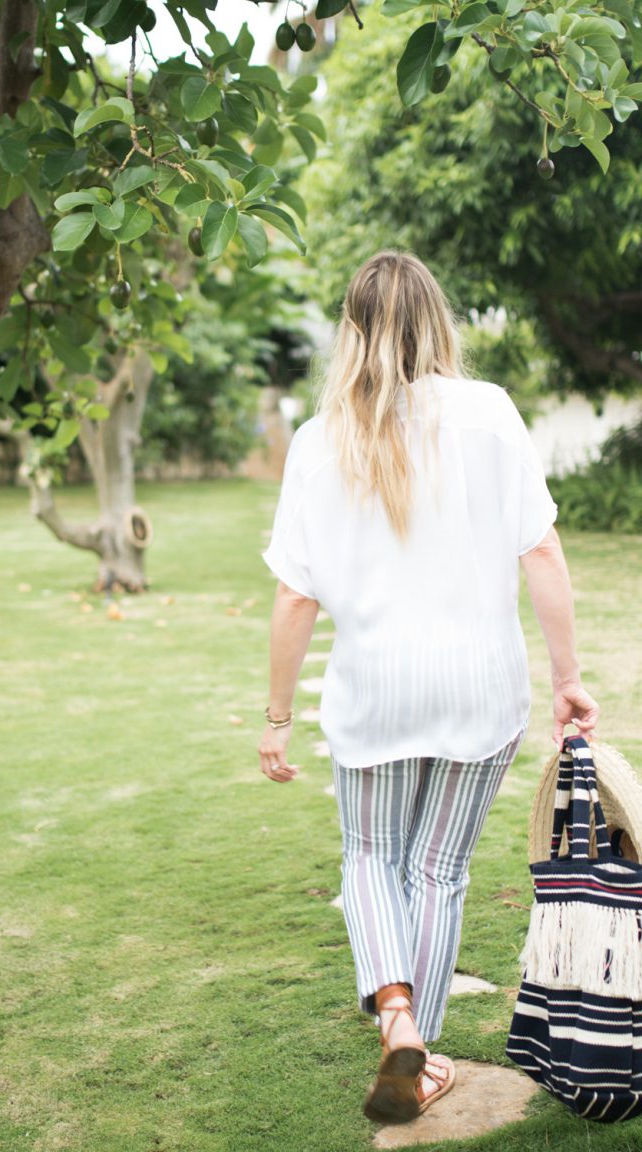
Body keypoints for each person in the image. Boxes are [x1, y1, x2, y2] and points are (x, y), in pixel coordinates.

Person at [258, 250, 599, 1125]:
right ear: (439, 322)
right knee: (439, 870)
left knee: (370, 856)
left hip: (374, 688)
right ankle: (422, 1046)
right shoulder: (489, 415)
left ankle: (398, 1015)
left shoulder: (318, 437)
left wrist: (277, 717)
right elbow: (543, 551)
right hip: (479, 688)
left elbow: (296, 596)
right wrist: (567, 679)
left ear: (354, 331)